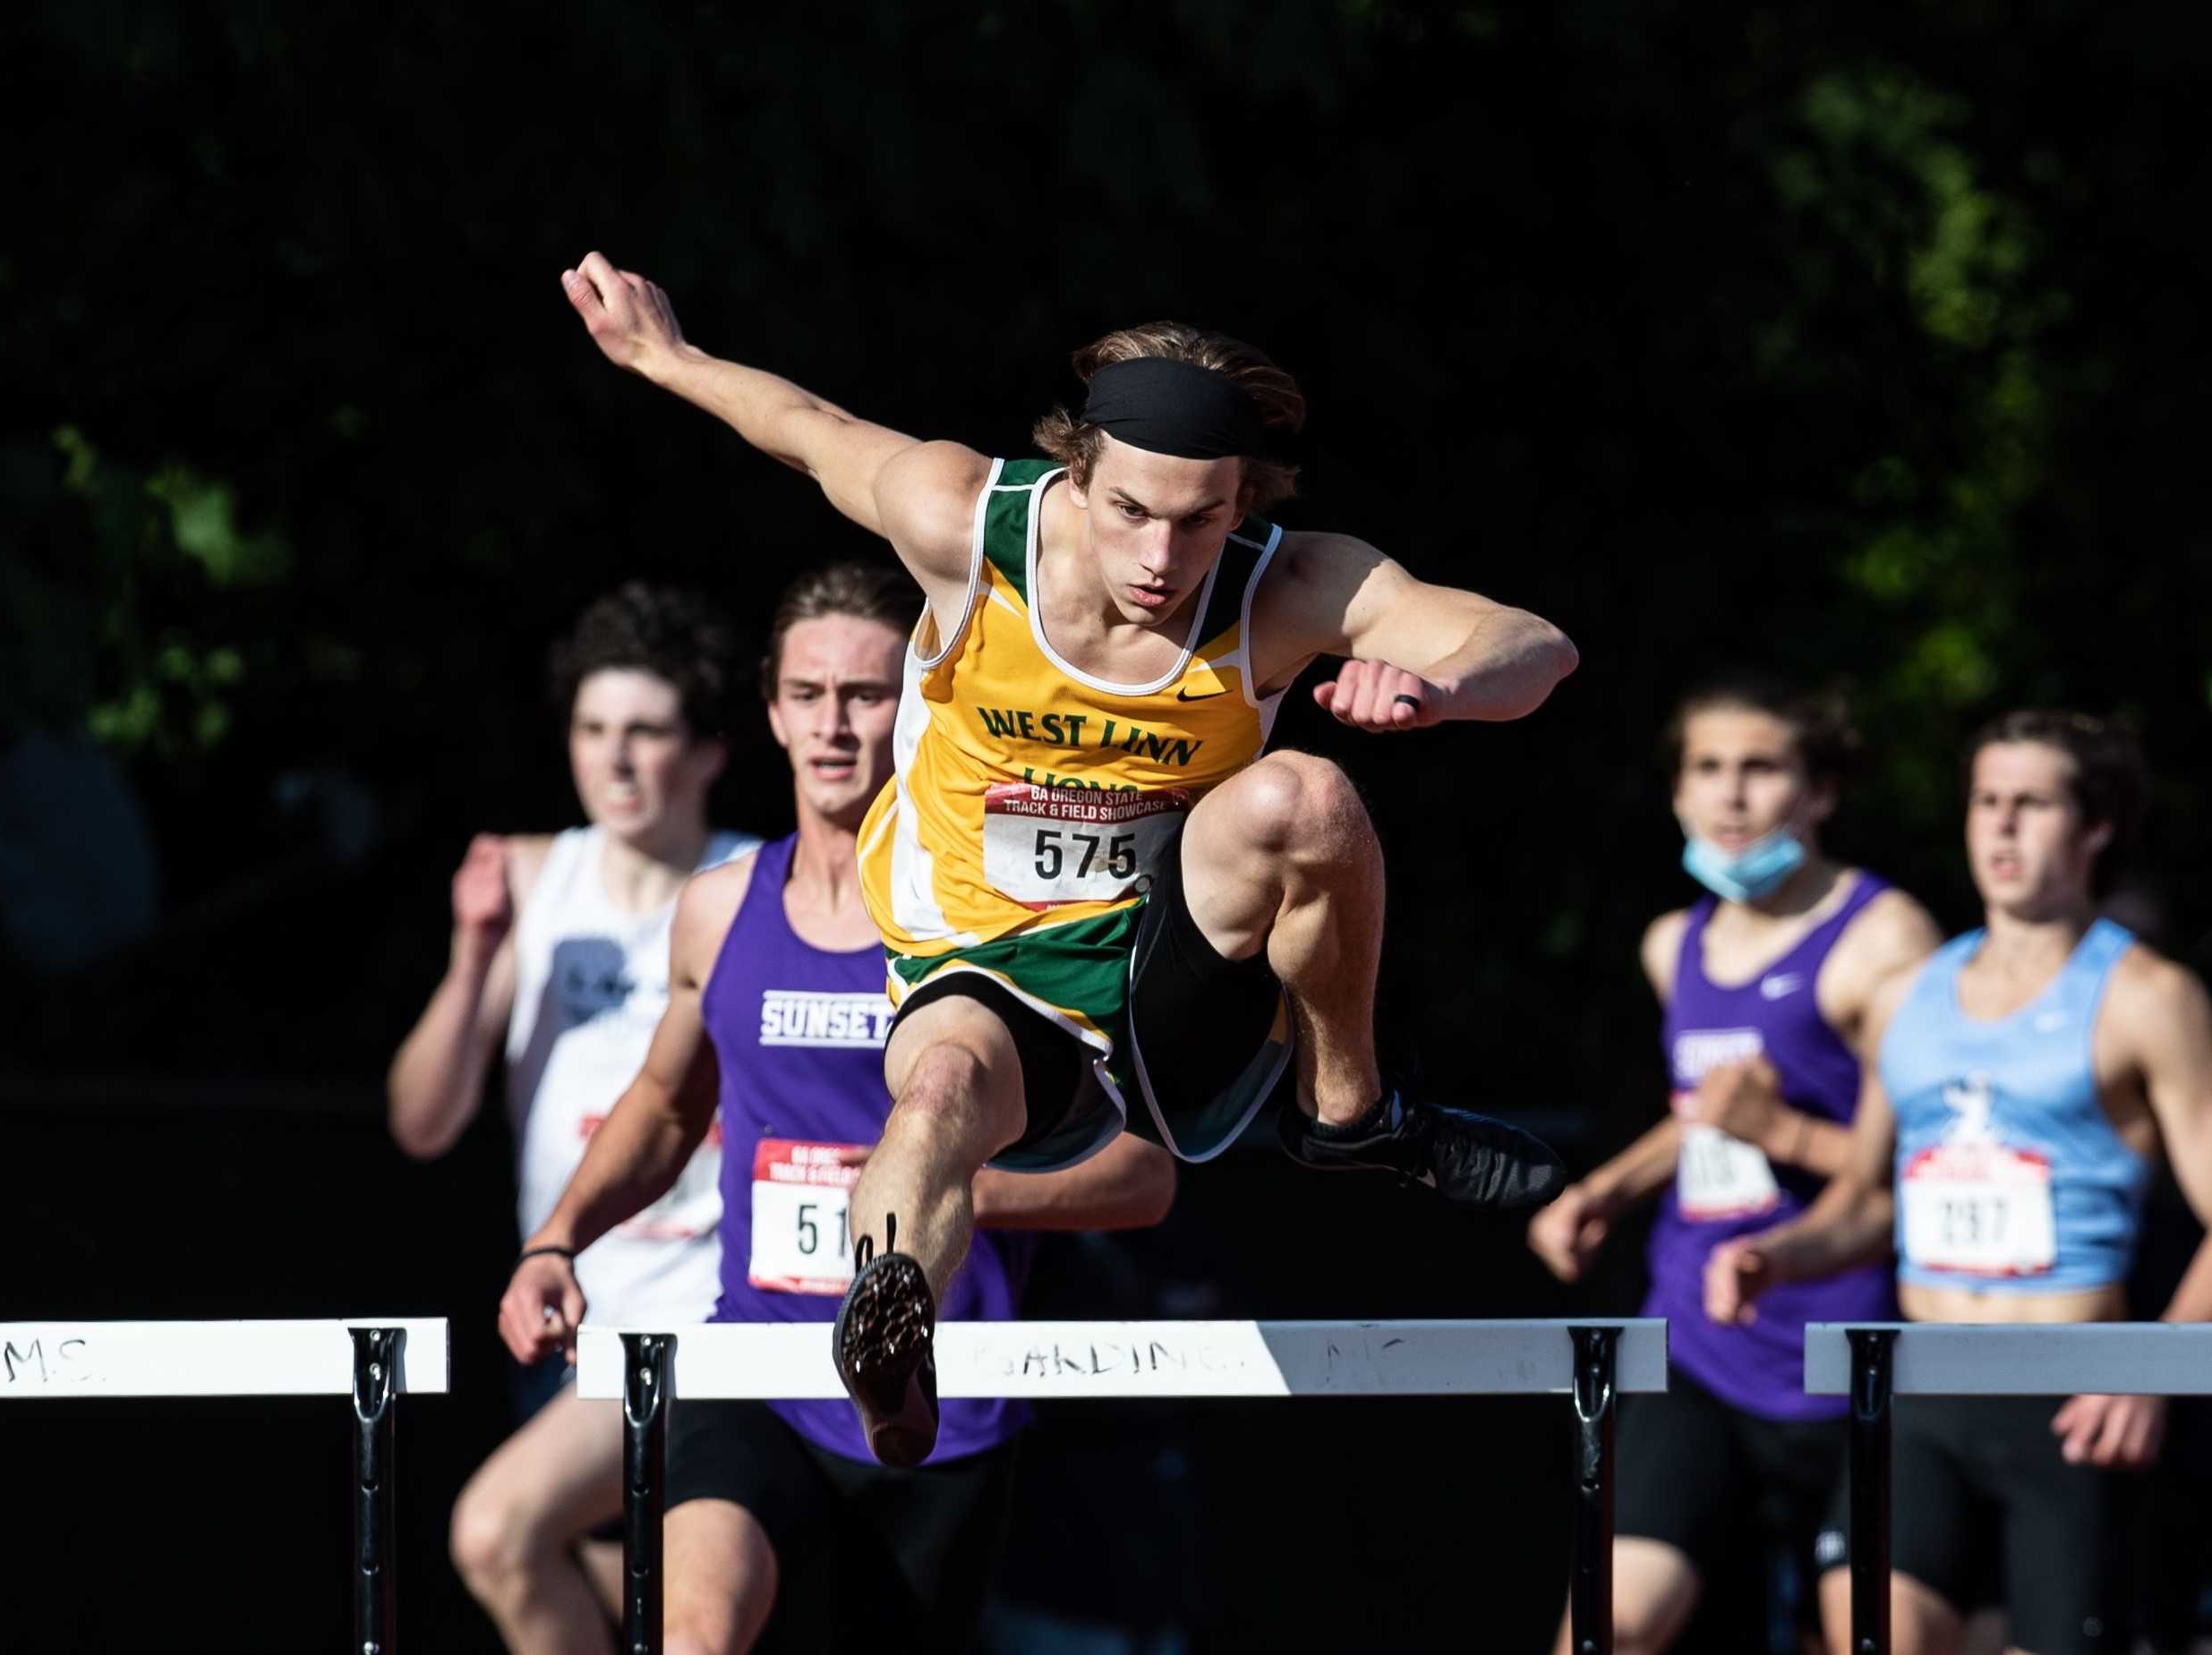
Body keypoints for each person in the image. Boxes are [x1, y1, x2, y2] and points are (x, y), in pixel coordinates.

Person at [559, 252, 1579, 1464]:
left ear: (1243, 501)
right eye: (1132, 513)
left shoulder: (1285, 586)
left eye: (1201, 520)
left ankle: (1346, 1108)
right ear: (1076, 472)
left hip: (1167, 966)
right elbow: (812, 431)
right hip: (979, 964)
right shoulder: (965, 524)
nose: (1162, 557)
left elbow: (1536, 646)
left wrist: (1439, 684)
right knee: (935, 1099)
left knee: (1306, 795)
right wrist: (668, 358)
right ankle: (892, 1326)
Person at [499, 561, 1178, 1653]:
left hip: (934, 1412)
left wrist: (920, 1204)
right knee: (695, 1634)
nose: (833, 726)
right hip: (752, 1378)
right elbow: (667, 1109)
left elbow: (1145, 1177)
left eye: (864, 696)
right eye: (808, 695)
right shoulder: (720, 910)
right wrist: (557, 1239)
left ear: (917, 710)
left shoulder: (1000, 933)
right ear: (770, 710)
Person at [1708, 712, 2212, 1655]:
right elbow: (1865, 1199)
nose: (2002, 827)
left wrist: (2154, 1367)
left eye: (2031, 803)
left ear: (2092, 825)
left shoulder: (2149, 995)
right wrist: (1772, 1254)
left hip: (2070, 1402)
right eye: (1986, 801)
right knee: (1869, 1634)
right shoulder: (1908, 995)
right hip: (1924, 1383)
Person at [1526, 678, 1940, 1654]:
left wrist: (1785, 1133)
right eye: (1708, 769)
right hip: (1697, 1340)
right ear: (1677, 794)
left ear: (1821, 791)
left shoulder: (1886, 938)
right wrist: (1602, 1192)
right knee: (1608, 1627)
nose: (1732, 796)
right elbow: (1704, 1114)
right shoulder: (1676, 945)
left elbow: (1923, 1171)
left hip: (1851, 1346)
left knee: (1873, 1640)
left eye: (1761, 769)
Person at [387, 583, 760, 1653]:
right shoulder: (530, 877)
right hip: (558, 1319)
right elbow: (421, 1122)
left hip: (707, 1313)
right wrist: (472, 959)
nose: (617, 760)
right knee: (617, 1597)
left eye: (646, 731)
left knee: (500, 1530)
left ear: (706, 752)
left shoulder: (751, 885)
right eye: (594, 731)